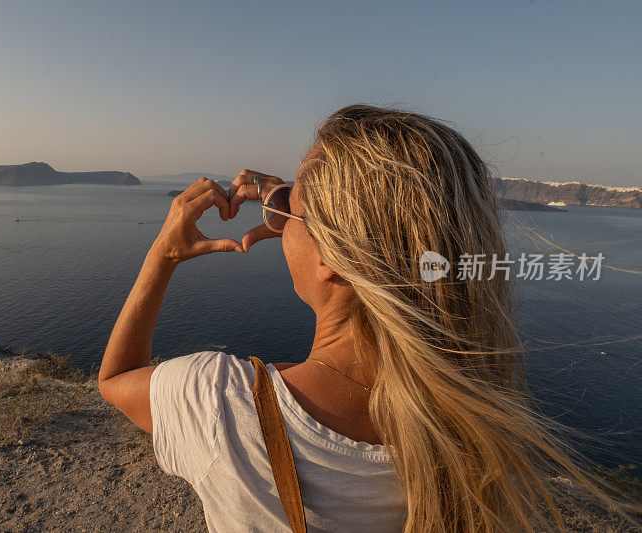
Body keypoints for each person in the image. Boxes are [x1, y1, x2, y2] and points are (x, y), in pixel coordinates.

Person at [98, 105, 637, 532]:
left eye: (293, 210)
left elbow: (115, 381)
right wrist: (292, 197)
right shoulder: (472, 425)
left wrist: (163, 254)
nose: (282, 218)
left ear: (331, 257)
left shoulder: (221, 401)